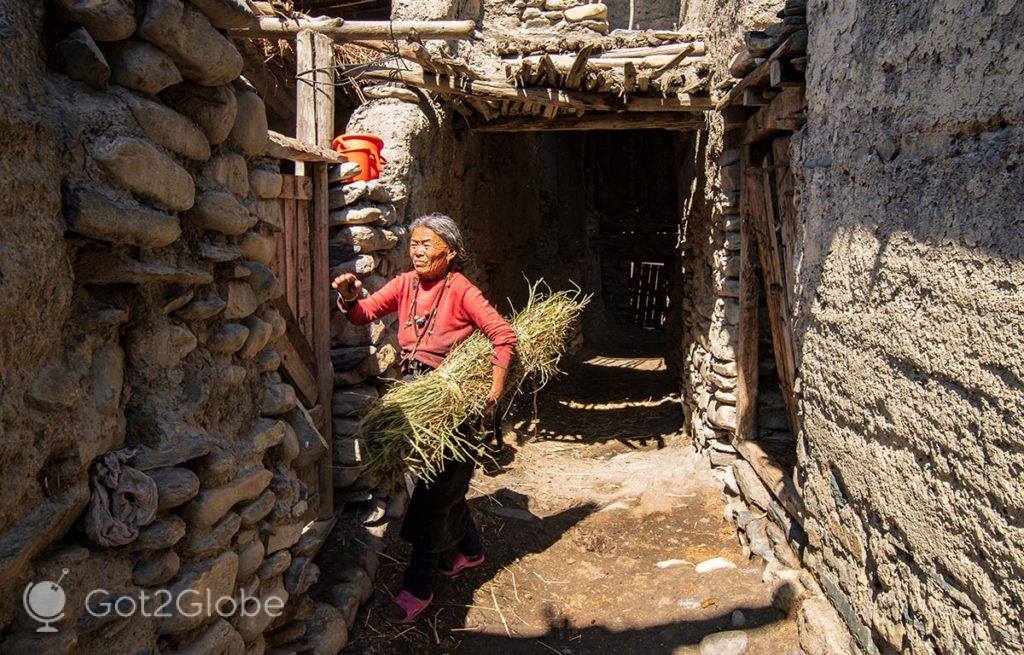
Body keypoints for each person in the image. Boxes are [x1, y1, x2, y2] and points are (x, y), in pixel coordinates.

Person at [332, 213, 517, 623]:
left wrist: (495, 388)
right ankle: (469, 550)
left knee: (433, 496)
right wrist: (347, 297)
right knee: (434, 485)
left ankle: (419, 584)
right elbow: (362, 314)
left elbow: (503, 336)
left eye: (427, 244)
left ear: (450, 253)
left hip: (452, 404)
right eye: (414, 243)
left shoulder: (463, 290)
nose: (417, 251)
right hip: (416, 398)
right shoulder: (405, 285)